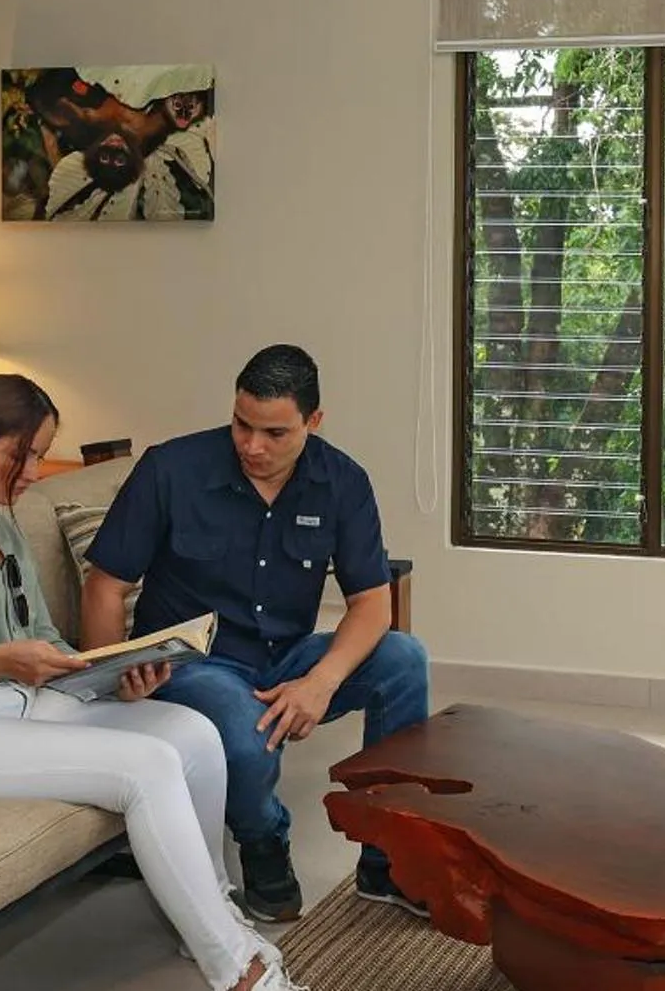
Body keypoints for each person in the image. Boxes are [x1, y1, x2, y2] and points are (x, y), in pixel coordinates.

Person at [0, 373, 350, 991]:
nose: (32, 473)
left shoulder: (0, 522)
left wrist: (110, 678)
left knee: (192, 733)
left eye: (39, 454)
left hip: (18, 705)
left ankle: (210, 916)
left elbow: (42, 641)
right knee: (145, 766)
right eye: (18, 456)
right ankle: (240, 986)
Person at [83, 345, 432, 924]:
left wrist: (321, 681)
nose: (252, 446)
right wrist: (111, 679)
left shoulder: (342, 481)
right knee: (248, 729)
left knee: (404, 659)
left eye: (274, 433)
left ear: (313, 421)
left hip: (286, 656)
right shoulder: (170, 469)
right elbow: (105, 585)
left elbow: (373, 603)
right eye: (242, 424)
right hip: (194, 663)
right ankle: (264, 841)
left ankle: (387, 860)